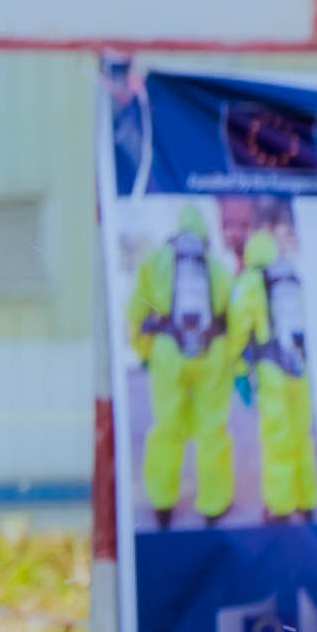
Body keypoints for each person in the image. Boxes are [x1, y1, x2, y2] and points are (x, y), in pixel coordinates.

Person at [125, 200, 238, 529]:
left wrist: (146, 352)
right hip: (212, 353)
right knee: (212, 430)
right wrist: (232, 363)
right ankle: (214, 506)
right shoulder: (217, 265)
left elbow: (135, 313)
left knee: (166, 428)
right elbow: (231, 315)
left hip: (168, 352)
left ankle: (162, 502)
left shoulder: (155, 262)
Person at [231, 225, 317, 521]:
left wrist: (240, 369)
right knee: (302, 437)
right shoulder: (293, 277)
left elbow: (237, 332)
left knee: (277, 440)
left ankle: (281, 507)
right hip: (301, 370)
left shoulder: (250, 281)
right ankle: (307, 501)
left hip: (271, 370)